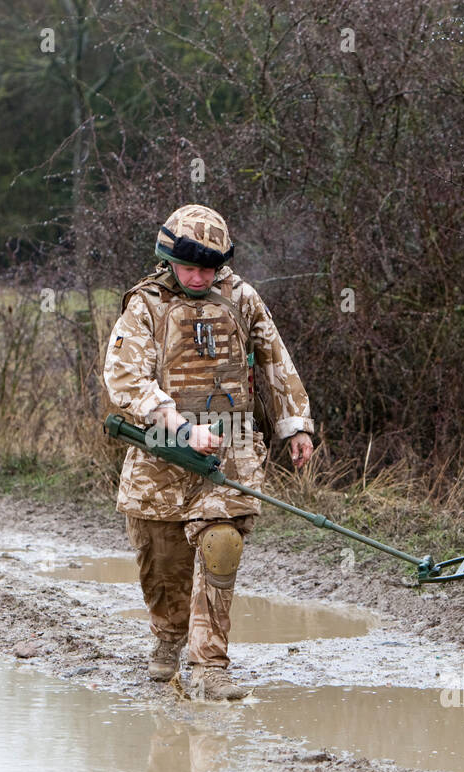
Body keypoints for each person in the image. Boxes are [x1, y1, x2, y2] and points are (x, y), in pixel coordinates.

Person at [103, 204, 314, 700]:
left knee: (222, 546)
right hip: (160, 451)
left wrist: (296, 426)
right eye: (189, 267)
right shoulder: (146, 304)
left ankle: (211, 665)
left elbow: (275, 360)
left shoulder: (242, 297)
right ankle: (169, 636)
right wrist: (178, 425)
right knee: (162, 564)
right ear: (169, 259)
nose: (199, 277)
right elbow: (124, 377)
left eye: (209, 268)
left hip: (232, 446)